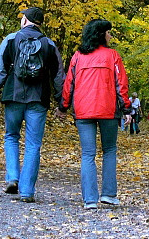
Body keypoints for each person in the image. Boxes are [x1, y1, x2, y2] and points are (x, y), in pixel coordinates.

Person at [0, 6, 66, 203]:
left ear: (25, 20)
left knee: (11, 136)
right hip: (38, 100)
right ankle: (27, 191)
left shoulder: (11, 39)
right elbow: (58, 76)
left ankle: (12, 177)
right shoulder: (49, 44)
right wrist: (62, 103)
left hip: (13, 97)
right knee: (33, 145)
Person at [60, 19, 132, 210]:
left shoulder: (77, 57)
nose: (110, 36)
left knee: (88, 154)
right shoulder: (112, 56)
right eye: (108, 33)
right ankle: (108, 194)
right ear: (101, 35)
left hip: (83, 112)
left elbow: (69, 84)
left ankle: (90, 200)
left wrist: (63, 106)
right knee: (109, 151)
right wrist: (126, 109)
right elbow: (121, 85)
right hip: (108, 110)